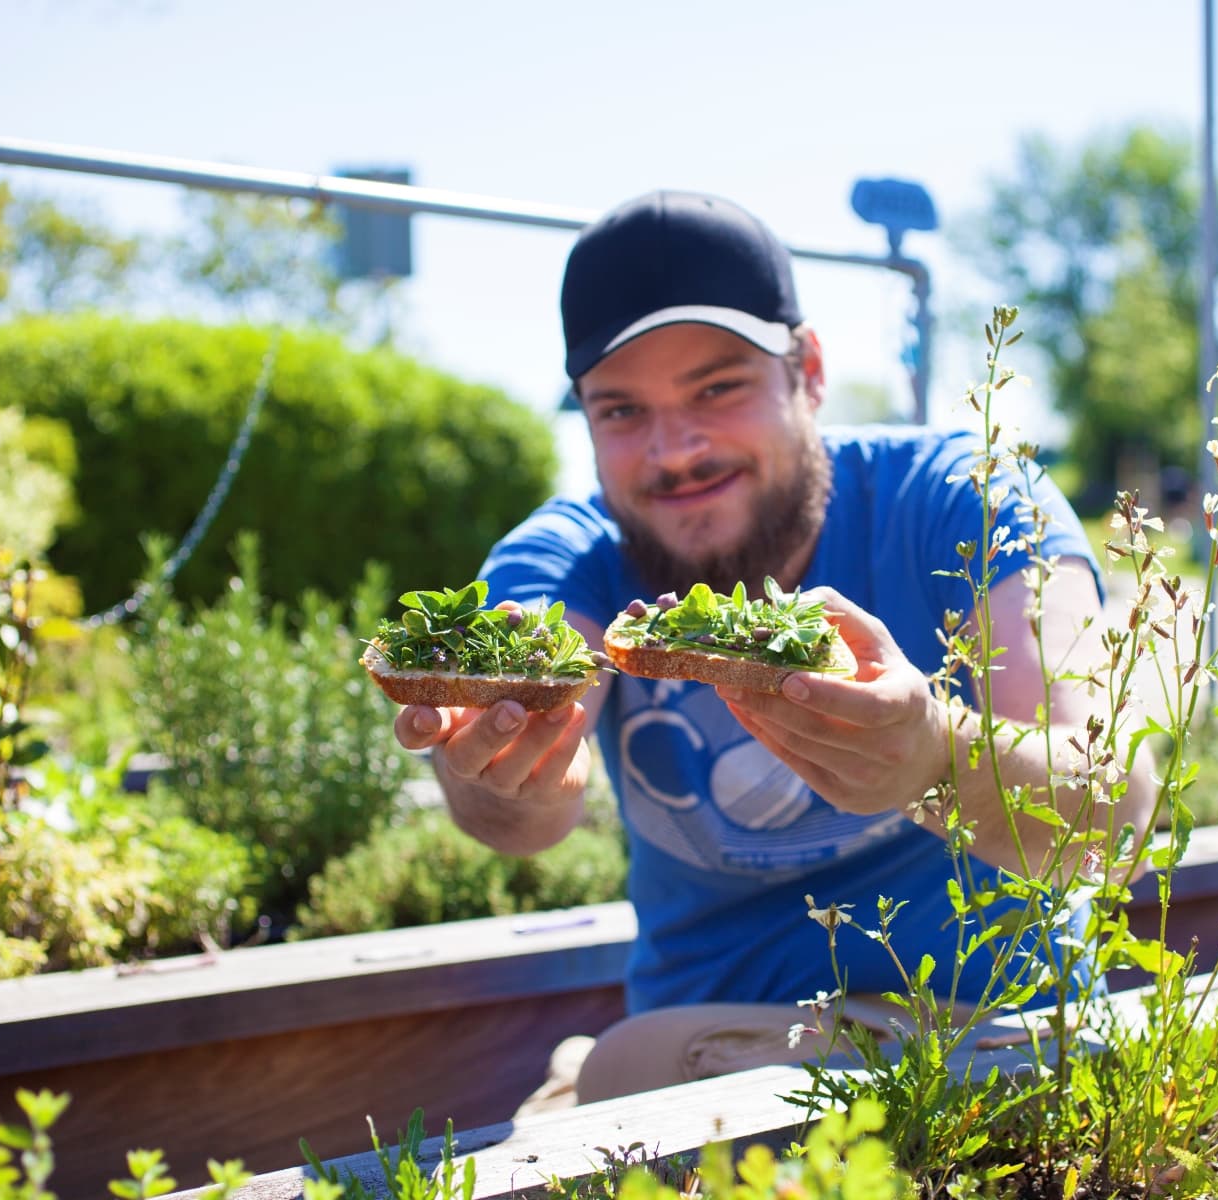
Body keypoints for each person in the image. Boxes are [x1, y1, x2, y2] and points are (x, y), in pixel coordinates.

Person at [392, 190, 1154, 1107]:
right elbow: (527, 813)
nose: (676, 449)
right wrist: (499, 766)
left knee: (621, 1071)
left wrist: (932, 760)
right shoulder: (572, 559)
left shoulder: (966, 500)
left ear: (810, 372)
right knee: (628, 1075)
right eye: (622, 411)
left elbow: (1116, 812)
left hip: (987, 1035)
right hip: (704, 1047)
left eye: (718, 388)